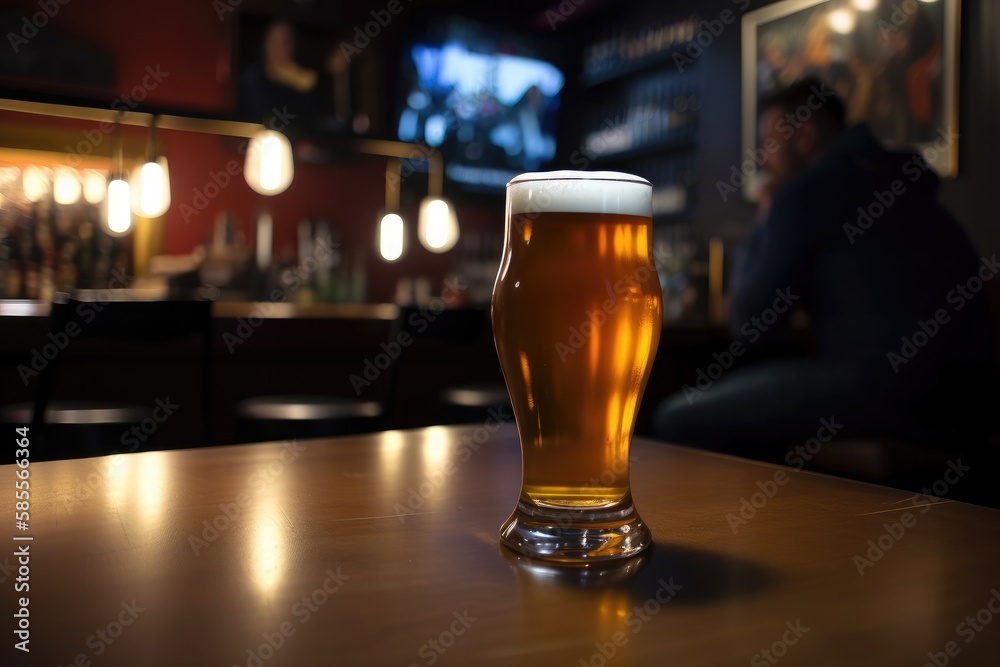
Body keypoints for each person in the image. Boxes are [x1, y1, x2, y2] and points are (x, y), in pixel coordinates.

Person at [652, 78, 996, 461]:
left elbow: (751, 326)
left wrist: (765, 223)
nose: (763, 159)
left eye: (768, 142)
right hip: (971, 403)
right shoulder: (903, 184)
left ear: (805, 134)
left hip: (884, 392)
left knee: (674, 418)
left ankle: (746, 521)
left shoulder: (804, 191)